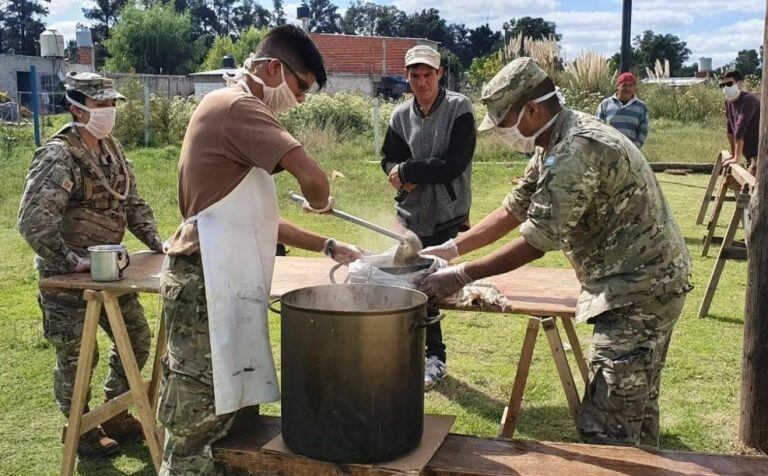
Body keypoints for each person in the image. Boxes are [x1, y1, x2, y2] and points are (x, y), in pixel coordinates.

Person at [420, 58, 692, 448]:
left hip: (641, 291)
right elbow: (514, 208)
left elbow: (536, 241)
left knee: (607, 422)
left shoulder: (574, 151)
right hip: (639, 282)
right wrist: (452, 247)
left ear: (532, 109)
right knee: (636, 407)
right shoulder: (556, 137)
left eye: (503, 121)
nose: (501, 132)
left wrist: (462, 275)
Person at [158, 25, 363, 475]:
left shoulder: (233, 110)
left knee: (233, 419)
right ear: (275, 68)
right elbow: (313, 177)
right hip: (203, 283)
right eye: (302, 87)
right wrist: (320, 200)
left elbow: (255, 218)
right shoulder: (237, 107)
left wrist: (327, 244)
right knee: (196, 426)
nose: (302, 99)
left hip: (223, 280)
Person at [18, 72, 164, 457]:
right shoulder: (59, 155)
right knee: (77, 355)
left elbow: (131, 202)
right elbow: (33, 220)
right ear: (77, 107)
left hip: (108, 272)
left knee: (136, 338)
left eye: (112, 104)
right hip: (65, 276)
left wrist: (157, 242)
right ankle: (80, 428)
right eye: (102, 105)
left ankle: (115, 410)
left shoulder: (110, 148)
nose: (110, 111)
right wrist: (71, 261)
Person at [380, 44, 476, 391]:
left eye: (427, 75)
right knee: (400, 283)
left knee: (428, 285)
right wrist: (396, 171)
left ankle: (435, 358)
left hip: (448, 213)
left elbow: (453, 164)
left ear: (440, 74)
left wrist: (407, 169)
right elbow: (388, 159)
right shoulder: (400, 116)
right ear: (406, 77)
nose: (421, 82)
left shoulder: (459, 108)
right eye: (414, 75)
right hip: (410, 213)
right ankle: (410, 353)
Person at [719, 70, 761, 175]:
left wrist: (737, 158)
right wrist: (733, 154)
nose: (726, 88)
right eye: (722, 85)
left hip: (761, 152)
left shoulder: (748, 100)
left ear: (739, 83)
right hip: (750, 153)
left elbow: (740, 128)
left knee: (749, 185)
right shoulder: (728, 102)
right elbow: (730, 130)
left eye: (729, 84)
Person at [596, 72, 649, 149]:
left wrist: (634, 148)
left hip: (631, 153)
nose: (627, 89)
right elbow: (598, 127)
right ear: (618, 86)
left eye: (630, 85)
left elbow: (643, 131)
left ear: (634, 87)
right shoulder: (605, 105)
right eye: (624, 85)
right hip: (608, 151)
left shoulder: (641, 107)